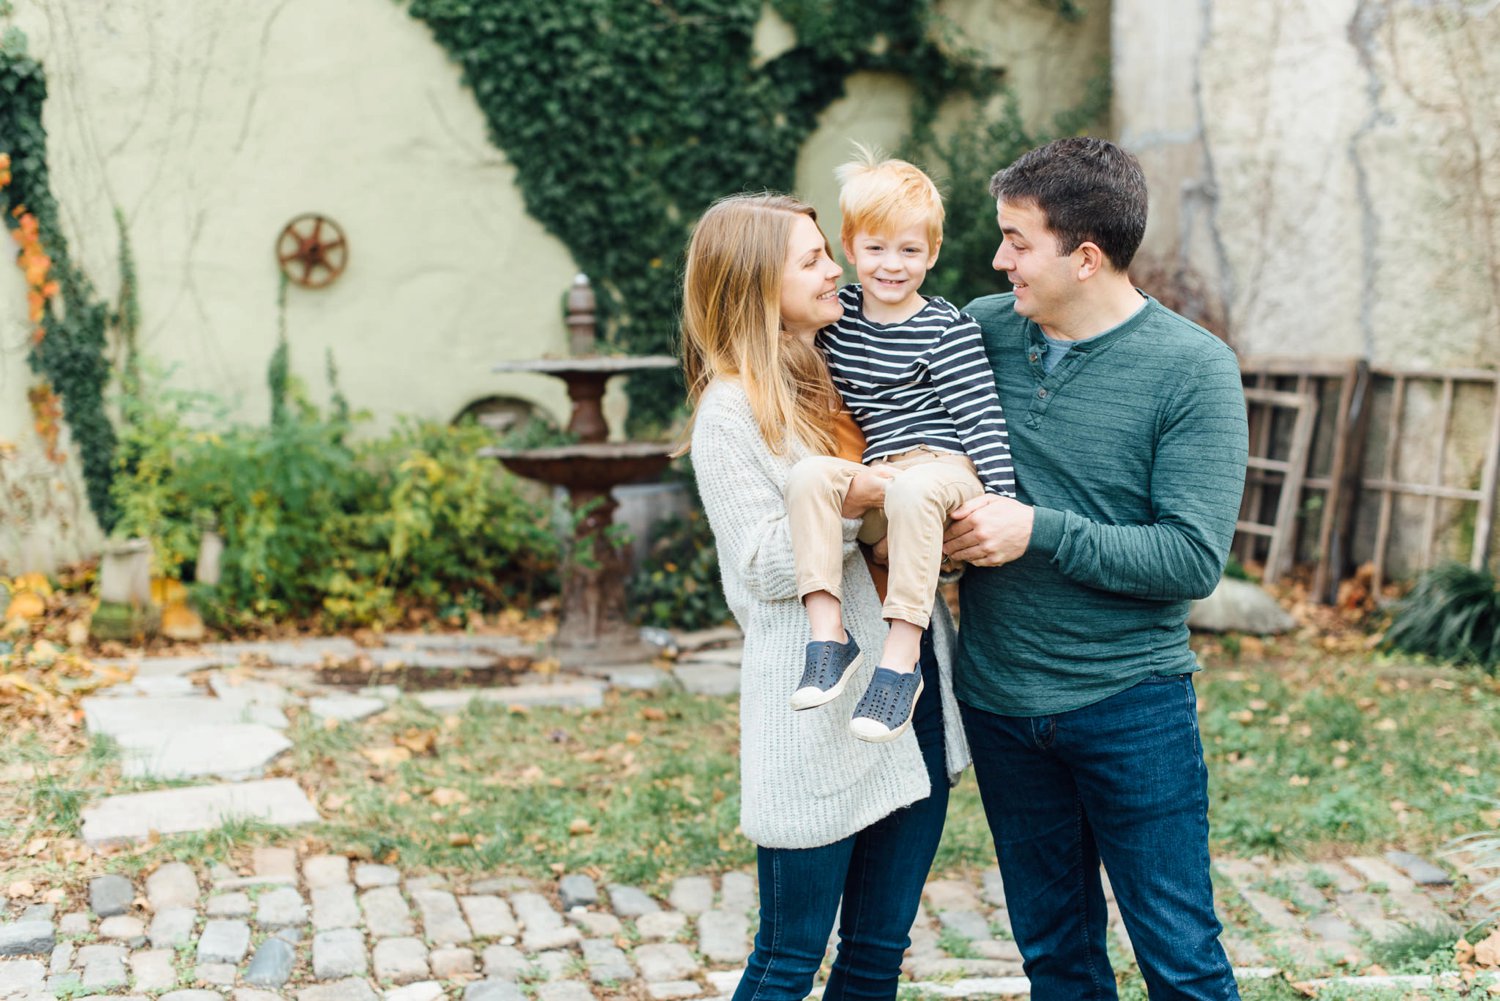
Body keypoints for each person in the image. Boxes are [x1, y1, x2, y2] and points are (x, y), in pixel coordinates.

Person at [942, 137, 1249, 999]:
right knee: (1057, 962)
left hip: (1131, 706)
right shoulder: (981, 332)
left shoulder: (1193, 369)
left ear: (1085, 257)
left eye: (1016, 240)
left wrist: (1036, 529)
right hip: (1001, 703)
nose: (998, 259)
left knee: (1181, 960)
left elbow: (1190, 558)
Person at [679, 191, 972, 1001]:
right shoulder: (732, 412)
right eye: (812, 259)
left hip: (908, 690)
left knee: (877, 953)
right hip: (814, 714)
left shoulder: (852, 368)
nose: (836, 269)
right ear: (752, 285)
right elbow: (765, 565)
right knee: (787, 957)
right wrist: (865, 498)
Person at [783, 150, 1014, 744]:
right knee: (809, 476)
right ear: (849, 247)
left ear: (932, 254)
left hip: (945, 468)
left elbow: (981, 419)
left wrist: (1001, 503)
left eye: (910, 251)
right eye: (876, 248)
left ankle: (900, 660)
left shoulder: (948, 328)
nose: (892, 265)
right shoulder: (842, 318)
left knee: (913, 486)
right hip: (882, 474)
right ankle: (829, 636)